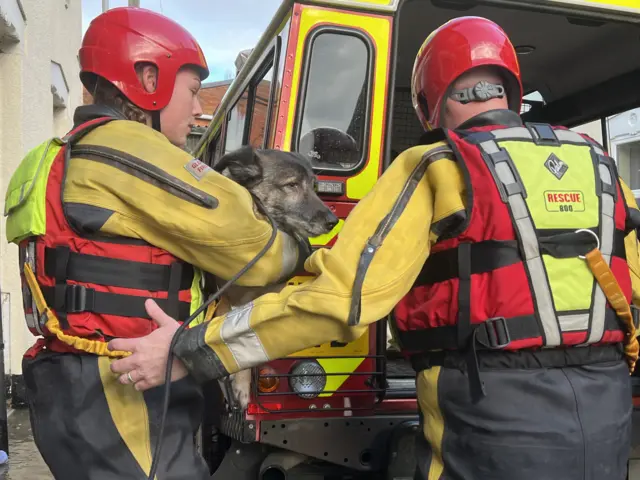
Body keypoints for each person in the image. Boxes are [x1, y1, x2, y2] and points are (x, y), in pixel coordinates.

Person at [109, 16, 640, 479]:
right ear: (511, 91)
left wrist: (193, 349)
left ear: (429, 103)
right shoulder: (600, 165)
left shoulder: (435, 166)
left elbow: (344, 302)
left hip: (490, 420)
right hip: (607, 413)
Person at [4, 6, 310, 479]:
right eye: (190, 91)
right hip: (120, 392)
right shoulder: (130, 148)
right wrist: (307, 249)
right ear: (148, 79)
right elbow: (261, 255)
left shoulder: (59, 153)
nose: (198, 109)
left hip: (68, 381)